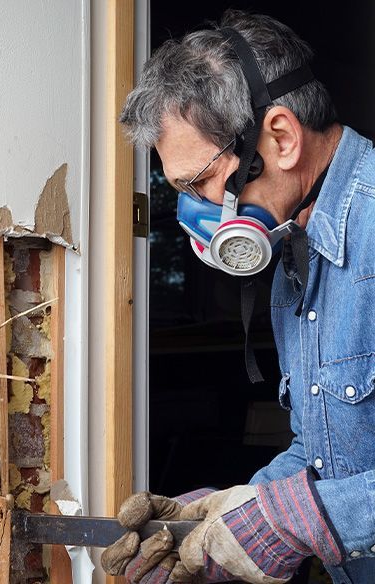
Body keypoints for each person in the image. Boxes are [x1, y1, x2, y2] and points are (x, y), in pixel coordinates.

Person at [101, 9, 375, 584]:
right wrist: (227, 514)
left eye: (198, 182)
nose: (195, 212)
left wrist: (295, 522)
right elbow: (324, 454)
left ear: (279, 138)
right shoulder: (294, 249)